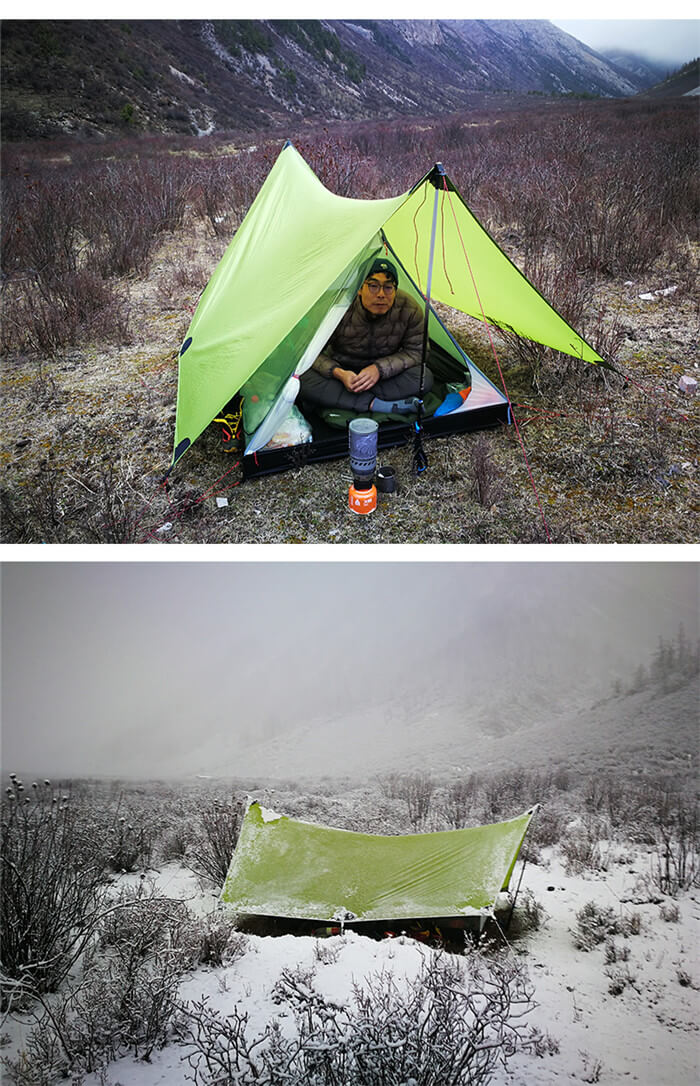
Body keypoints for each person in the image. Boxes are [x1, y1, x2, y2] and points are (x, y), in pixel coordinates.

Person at [299, 258, 433, 414]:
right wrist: (338, 373)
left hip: (385, 374)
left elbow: (418, 351)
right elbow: (310, 352)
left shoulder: (409, 308)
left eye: (389, 287)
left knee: (424, 377)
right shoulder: (337, 307)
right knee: (300, 377)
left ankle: (341, 399)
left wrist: (379, 369)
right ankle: (379, 405)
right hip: (342, 370)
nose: (381, 294)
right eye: (373, 286)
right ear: (359, 288)